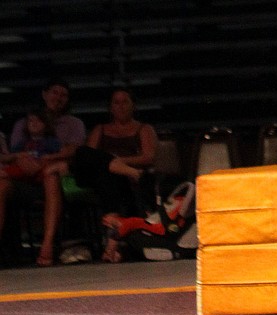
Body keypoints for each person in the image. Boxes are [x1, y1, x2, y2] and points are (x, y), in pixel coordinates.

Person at [0, 79, 86, 266]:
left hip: (52, 175)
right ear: (44, 94)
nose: (58, 98)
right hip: (23, 178)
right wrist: (24, 160)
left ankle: (47, 246)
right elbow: (14, 153)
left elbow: (73, 151)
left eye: (63, 95)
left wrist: (46, 161)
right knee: (2, 184)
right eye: (55, 92)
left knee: (51, 175)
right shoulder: (24, 123)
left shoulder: (73, 124)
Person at [71, 88, 158, 257]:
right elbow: (88, 158)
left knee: (108, 174)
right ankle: (113, 243)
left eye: (125, 101)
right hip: (105, 178)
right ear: (110, 107)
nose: (120, 106)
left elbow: (148, 158)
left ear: (133, 105)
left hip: (126, 181)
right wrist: (113, 163)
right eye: (116, 102)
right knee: (82, 152)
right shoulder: (100, 129)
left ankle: (112, 242)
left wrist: (118, 162)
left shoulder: (144, 129)